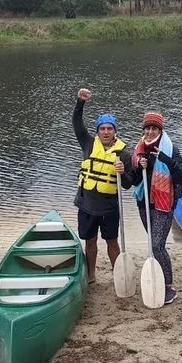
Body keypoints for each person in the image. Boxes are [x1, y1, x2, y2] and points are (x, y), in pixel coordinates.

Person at [73, 88, 133, 285]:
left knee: (112, 242)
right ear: (98, 131)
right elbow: (77, 123)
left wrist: (123, 171)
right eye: (102, 129)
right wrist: (80, 102)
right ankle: (90, 276)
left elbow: (127, 185)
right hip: (87, 205)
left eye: (110, 129)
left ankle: (119, 277)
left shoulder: (123, 154)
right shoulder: (88, 143)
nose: (106, 132)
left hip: (109, 207)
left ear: (115, 131)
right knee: (89, 242)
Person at [130, 112, 182, 304]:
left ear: (160, 130)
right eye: (147, 128)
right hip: (144, 204)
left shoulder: (171, 150)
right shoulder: (138, 151)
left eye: (154, 128)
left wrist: (165, 159)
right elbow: (133, 181)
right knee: (153, 244)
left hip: (164, 205)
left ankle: (169, 286)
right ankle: (158, 278)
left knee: (157, 245)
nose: (150, 131)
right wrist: (138, 167)